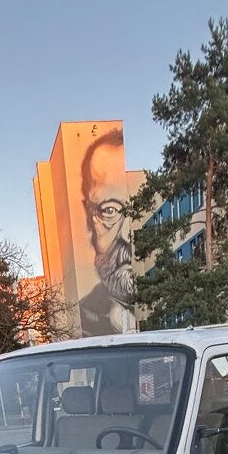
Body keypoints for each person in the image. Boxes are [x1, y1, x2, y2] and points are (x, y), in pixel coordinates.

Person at [79, 128, 133, 336]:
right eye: (109, 210)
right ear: (89, 216)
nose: (127, 235)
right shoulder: (86, 322)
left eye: (136, 213)